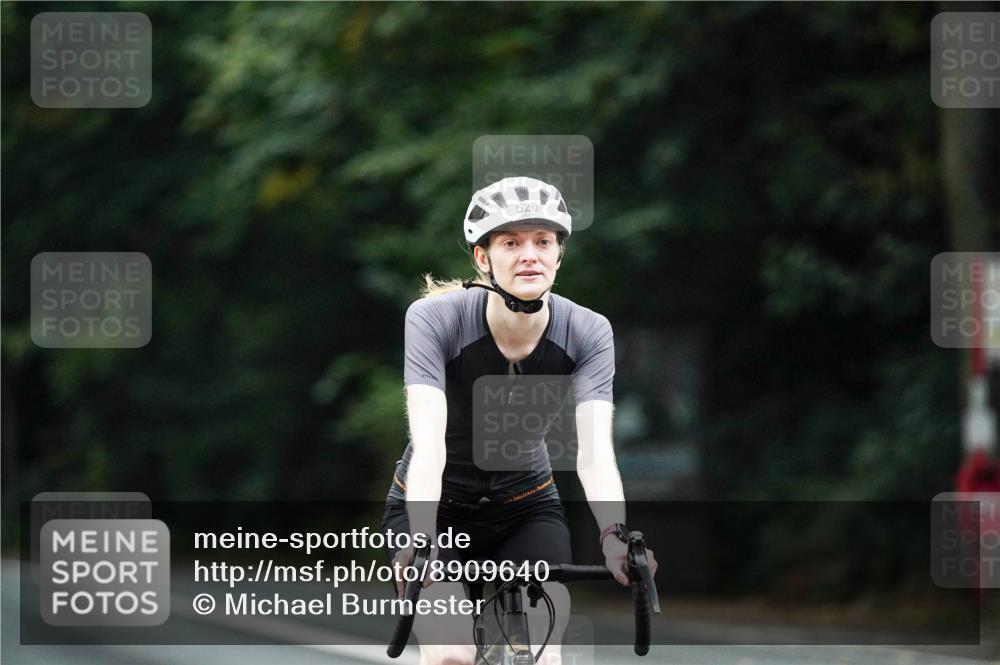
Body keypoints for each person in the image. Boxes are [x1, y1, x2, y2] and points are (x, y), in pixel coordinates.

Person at [380, 175, 658, 665]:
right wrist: (421, 537)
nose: (529, 254)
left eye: (542, 241)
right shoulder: (435, 320)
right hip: (436, 508)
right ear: (483, 258)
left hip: (525, 506)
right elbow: (430, 446)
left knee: (543, 653)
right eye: (511, 242)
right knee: (451, 656)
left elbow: (594, 453)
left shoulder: (589, 331)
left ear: (558, 255)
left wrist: (614, 535)